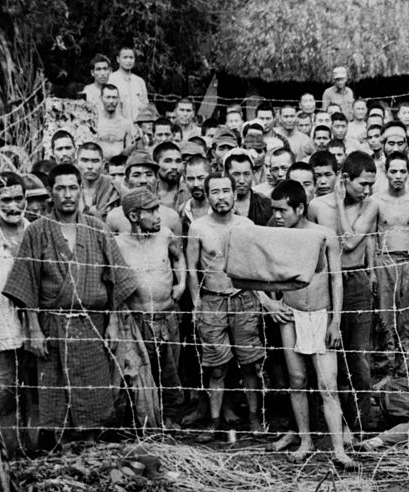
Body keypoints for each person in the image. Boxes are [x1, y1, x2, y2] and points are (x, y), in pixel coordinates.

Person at [4, 164, 137, 444]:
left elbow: (116, 279)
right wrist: (35, 329)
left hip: (92, 325)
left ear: (80, 190)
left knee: (93, 391)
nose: (67, 194)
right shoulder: (37, 231)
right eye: (60, 188)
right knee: (55, 390)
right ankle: (63, 452)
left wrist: (113, 322)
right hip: (53, 325)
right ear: (51, 193)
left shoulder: (97, 228)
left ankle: (90, 447)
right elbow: (26, 282)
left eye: (72, 187)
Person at [266, 181, 354, 468]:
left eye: (282, 210)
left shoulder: (324, 235)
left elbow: (336, 279)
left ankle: (339, 449)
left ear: (300, 208)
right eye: (274, 209)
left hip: (321, 314)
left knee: (328, 384)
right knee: (298, 380)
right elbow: (251, 268)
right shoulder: (274, 235)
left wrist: (335, 321)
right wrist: (269, 302)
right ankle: (305, 441)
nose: (277, 215)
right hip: (290, 315)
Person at [185, 172, 267, 441]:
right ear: (207, 196)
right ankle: (215, 420)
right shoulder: (198, 227)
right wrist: (197, 304)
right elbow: (191, 268)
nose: (221, 197)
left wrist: (261, 300)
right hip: (212, 300)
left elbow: (255, 268)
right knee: (216, 367)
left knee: (249, 364)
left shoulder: (246, 224)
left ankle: (255, 418)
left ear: (235, 193)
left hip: (243, 299)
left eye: (226, 191)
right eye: (215, 192)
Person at [308, 151, 377, 432]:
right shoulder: (315, 206)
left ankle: (363, 423)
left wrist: (339, 201)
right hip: (325, 283)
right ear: (345, 179)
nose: (368, 190)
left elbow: (349, 242)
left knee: (358, 358)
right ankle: (329, 425)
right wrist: (335, 201)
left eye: (372, 183)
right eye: (362, 183)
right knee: (326, 354)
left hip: (356, 281)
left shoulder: (370, 205)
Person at [116, 188, 186, 412]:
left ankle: (171, 418)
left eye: (158, 209)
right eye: (151, 211)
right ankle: (146, 420)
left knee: (171, 370)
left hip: (167, 316)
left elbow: (178, 257)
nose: (158, 216)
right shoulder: (119, 244)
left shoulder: (165, 235)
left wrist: (181, 283)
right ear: (134, 217)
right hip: (138, 322)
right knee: (143, 373)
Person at [365, 152, 409, 374]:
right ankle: (385, 368)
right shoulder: (376, 201)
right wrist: (372, 272)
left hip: (408, 262)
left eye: (402, 171)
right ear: (386, 172)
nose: (398, 176)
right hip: (384, 261)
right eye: (393, 171)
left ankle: (407, 369)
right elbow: (371, 237)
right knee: (384, 317)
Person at [0, 172, 29, 445]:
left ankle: (32, 446)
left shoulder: (36, 230)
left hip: (37, 325)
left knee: (34, 389)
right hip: (0, 322)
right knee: (7, 389)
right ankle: (5, 447)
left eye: (19, 199)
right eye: (6, 200)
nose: (13, 206)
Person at [105, 151, 183, 236]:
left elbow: (177, 248)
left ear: (157, 179)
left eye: (149, 175)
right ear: (126, 181)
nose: (143, 180)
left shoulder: (171, 216)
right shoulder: (114, 217)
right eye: (136, 175)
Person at [223, 151, 272, 225]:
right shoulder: (219, 203)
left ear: (253, 173)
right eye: (236, 174)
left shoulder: (265, 203)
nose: (242, 180)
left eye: (246, 174)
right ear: (226, 175)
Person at [76, 142, 120, 219]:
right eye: (85, 160)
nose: (90, 166)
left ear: (102, 164)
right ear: (77, 162)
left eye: (95, 161)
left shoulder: (115, 187)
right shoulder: (69, 187)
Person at [107, 45, 149, 125]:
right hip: (118, 126)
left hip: (138, 127)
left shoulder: (139, 81)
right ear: (118, 59)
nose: (128, 61)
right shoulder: (111, 79)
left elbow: (145, 105)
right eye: (125, 57)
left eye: (131, 58)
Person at [95, 83, 138, 159]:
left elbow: (129, 150)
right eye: (108, 97)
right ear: (101, 98)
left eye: (114, 97)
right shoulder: (95, 122)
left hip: (119, 164)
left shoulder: (125, 124)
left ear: (118, 99)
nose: (111, 101)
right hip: (99, 164)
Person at [153, 142, 186, 211]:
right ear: (156, 165)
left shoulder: (190, 193)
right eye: (167, 161)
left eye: (178, 161)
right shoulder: (148, 192)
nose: (174, 167)